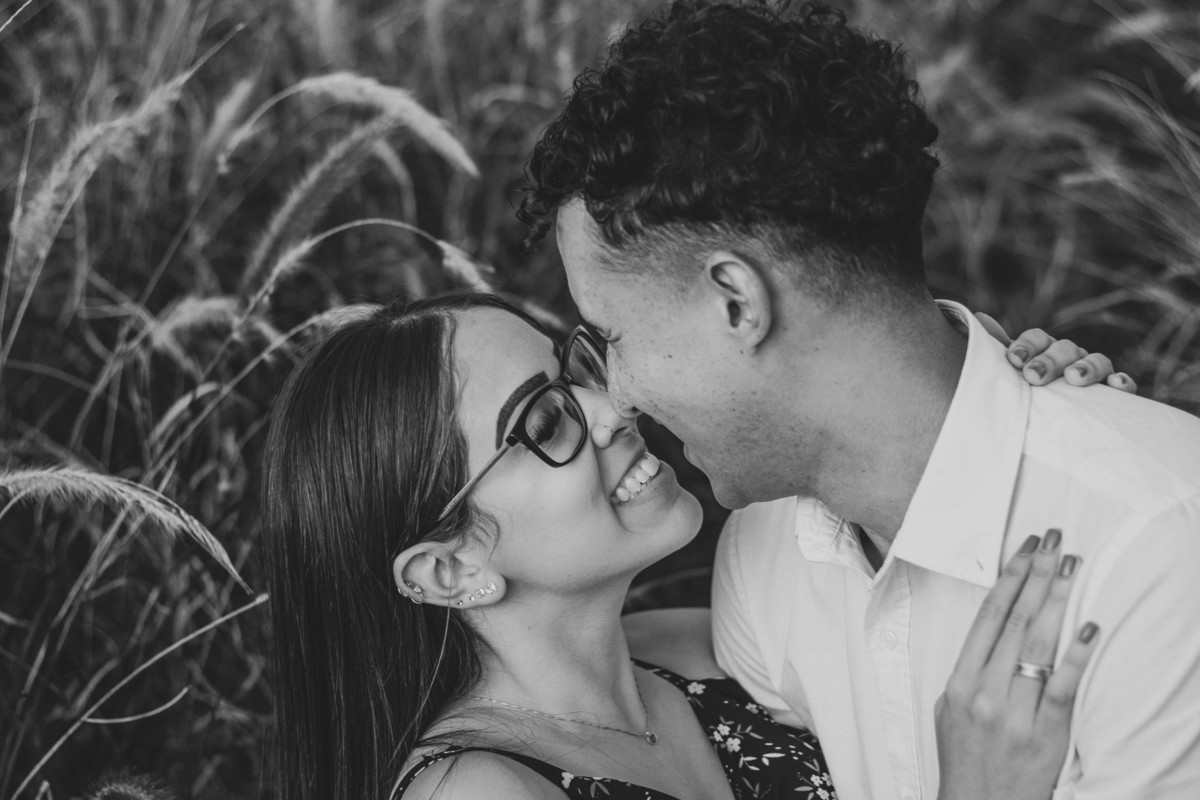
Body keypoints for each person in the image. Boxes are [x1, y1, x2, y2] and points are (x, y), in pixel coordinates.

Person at [518, 2, 1200, 799]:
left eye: (615, 336)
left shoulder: (1156, 552)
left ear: (737, 302)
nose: (620, 396)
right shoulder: (765, 555)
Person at [260, 293, 1103, 800]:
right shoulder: (478, 791)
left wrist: (1012, 421)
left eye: (575, 372)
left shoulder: (708, 648)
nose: (612, 408)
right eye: (544, 424)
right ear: (450, 569)